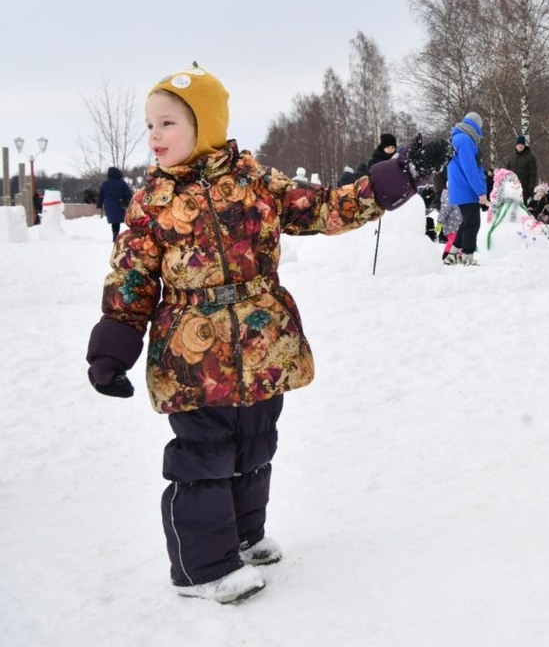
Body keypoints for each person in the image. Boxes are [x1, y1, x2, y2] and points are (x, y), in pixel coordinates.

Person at [83, 64, 448, 604]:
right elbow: (130, 279)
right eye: (150, 126)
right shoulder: (151, 204)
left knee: (254, 442)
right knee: (203, 454)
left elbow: (327, 208)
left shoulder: (256, 184)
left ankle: (244, 536)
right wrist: (111, 351)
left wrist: (396, 175)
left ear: (204, 125)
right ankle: (203, 568)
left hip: (260, 341)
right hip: (191, 351)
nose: (154, 137)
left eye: (166, 124)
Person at [446, 112, 488, 265]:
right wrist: (480, 191)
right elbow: (470, 168)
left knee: (466, 222)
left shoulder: (458, 138)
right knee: (473, 223)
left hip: (460, 187)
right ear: (475, 125)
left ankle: (453, 253)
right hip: (466, 188)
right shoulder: (464, 140)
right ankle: (468, 256)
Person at [96, 166, 134, 242]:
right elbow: (128, 194)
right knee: (122, 219)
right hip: (119, 204)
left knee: (115, 222)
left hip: (109, 205)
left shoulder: (105, 184)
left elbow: (101, 195)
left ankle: (115, 236)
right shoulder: (121, 183)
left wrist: (99, 205)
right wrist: (132, 201)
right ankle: (127, 235)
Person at [505, 135, 538, 206]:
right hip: (512, 188)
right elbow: (506, 172)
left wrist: (530, 189)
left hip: (524, 189)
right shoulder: (511, 157)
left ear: (524, 145)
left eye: (521, 144)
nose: (520, 146)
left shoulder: (530, 157)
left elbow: (533, 175)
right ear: (516, 145)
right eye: (518, 144)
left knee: (522, 209)